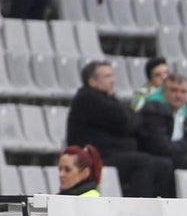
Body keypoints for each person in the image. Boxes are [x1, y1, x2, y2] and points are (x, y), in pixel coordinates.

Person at [66, 60, 174, 199]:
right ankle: (139, 210)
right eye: (107, 77)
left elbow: (133, 119)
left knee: (164, 164)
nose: (113, 80)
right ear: (93, 82)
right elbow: (126, 120)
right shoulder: (87, 98)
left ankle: (160, 208)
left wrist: (131, 120)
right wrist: (131, 121)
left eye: (112, 76)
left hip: (117, 154)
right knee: (143, 163)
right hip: (97, 158)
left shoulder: (108, 98)